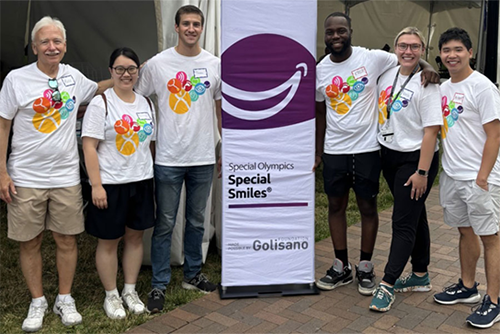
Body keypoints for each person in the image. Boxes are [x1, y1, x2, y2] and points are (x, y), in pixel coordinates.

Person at [314, 12, 439, 296]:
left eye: (341, 31)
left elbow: (407, 56)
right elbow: (320, 111)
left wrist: (427, 64)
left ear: (351, 32)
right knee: (336, 207)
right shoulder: (320, 69)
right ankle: (340, 265)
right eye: (331, 32)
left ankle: (366, 267)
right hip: (334, 149)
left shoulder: (371, 58)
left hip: (369, 149)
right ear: (325, 35)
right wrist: (318, 150)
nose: (336, 36)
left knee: (368, 208)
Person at [0, 16, 111, 332]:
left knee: (66, 239)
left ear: (65, 45)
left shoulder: (73, 77)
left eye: (57, 41)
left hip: (65, 177)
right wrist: (2, 173)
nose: (52, 47)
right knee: (30, 241)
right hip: (25, 176)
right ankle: (38, 301)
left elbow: (97, 88)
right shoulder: (16, 80)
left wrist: (124, 74)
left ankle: (64, 297)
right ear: (34, 46)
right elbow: (3, 126)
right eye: (45, 42)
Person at [135, 5, 221, 313]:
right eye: (186, 23)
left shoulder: (214, 63)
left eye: (196, 24)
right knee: (165, 223)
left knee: (196, 220)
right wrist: (149, 139)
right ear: (176, 27)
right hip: (169, 157)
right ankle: (159, 284)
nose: (191, 28)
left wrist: (222, 145)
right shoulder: (158, 64)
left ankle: (192, 275)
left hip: (202, 156)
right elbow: (138, 98)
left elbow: (220, 107)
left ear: (201, 27)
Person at [367, 27, 442, 312]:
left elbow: (431, 132)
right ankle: (420, 274)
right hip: (389, 154)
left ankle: (387, 284)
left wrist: (422, 173)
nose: (407, 51)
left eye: (414, 47)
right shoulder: (387, 72)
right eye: (402, 46)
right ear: (395, 48)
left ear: (423, 49)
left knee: (402, 222)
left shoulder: (428, 83)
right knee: (415, 212)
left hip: (415, 159)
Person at [433, 27, 500, 329]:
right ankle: (468, 286)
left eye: (458, 49)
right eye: (446, 50)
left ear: (470, 52)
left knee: (491, 239)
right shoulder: (443, 87)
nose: (452, 55)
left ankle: (495, 300)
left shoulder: (482, 87)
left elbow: (495, 134)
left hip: (480, 179)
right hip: (453, 175)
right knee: (465, 232)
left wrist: (483, 178)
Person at [82, 47, 155, 319]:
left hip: (142, 181)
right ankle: (111, 295)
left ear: (138, 71)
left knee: (135, 237)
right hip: (111, 183)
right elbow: (89, 146)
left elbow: (150, 144)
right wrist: (96, 185)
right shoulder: (102, 103)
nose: (126, 74)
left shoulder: (146, 103)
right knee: (109, 240)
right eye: (120, 69)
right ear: (111, 71)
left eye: (131, 69)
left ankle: (129, 290)